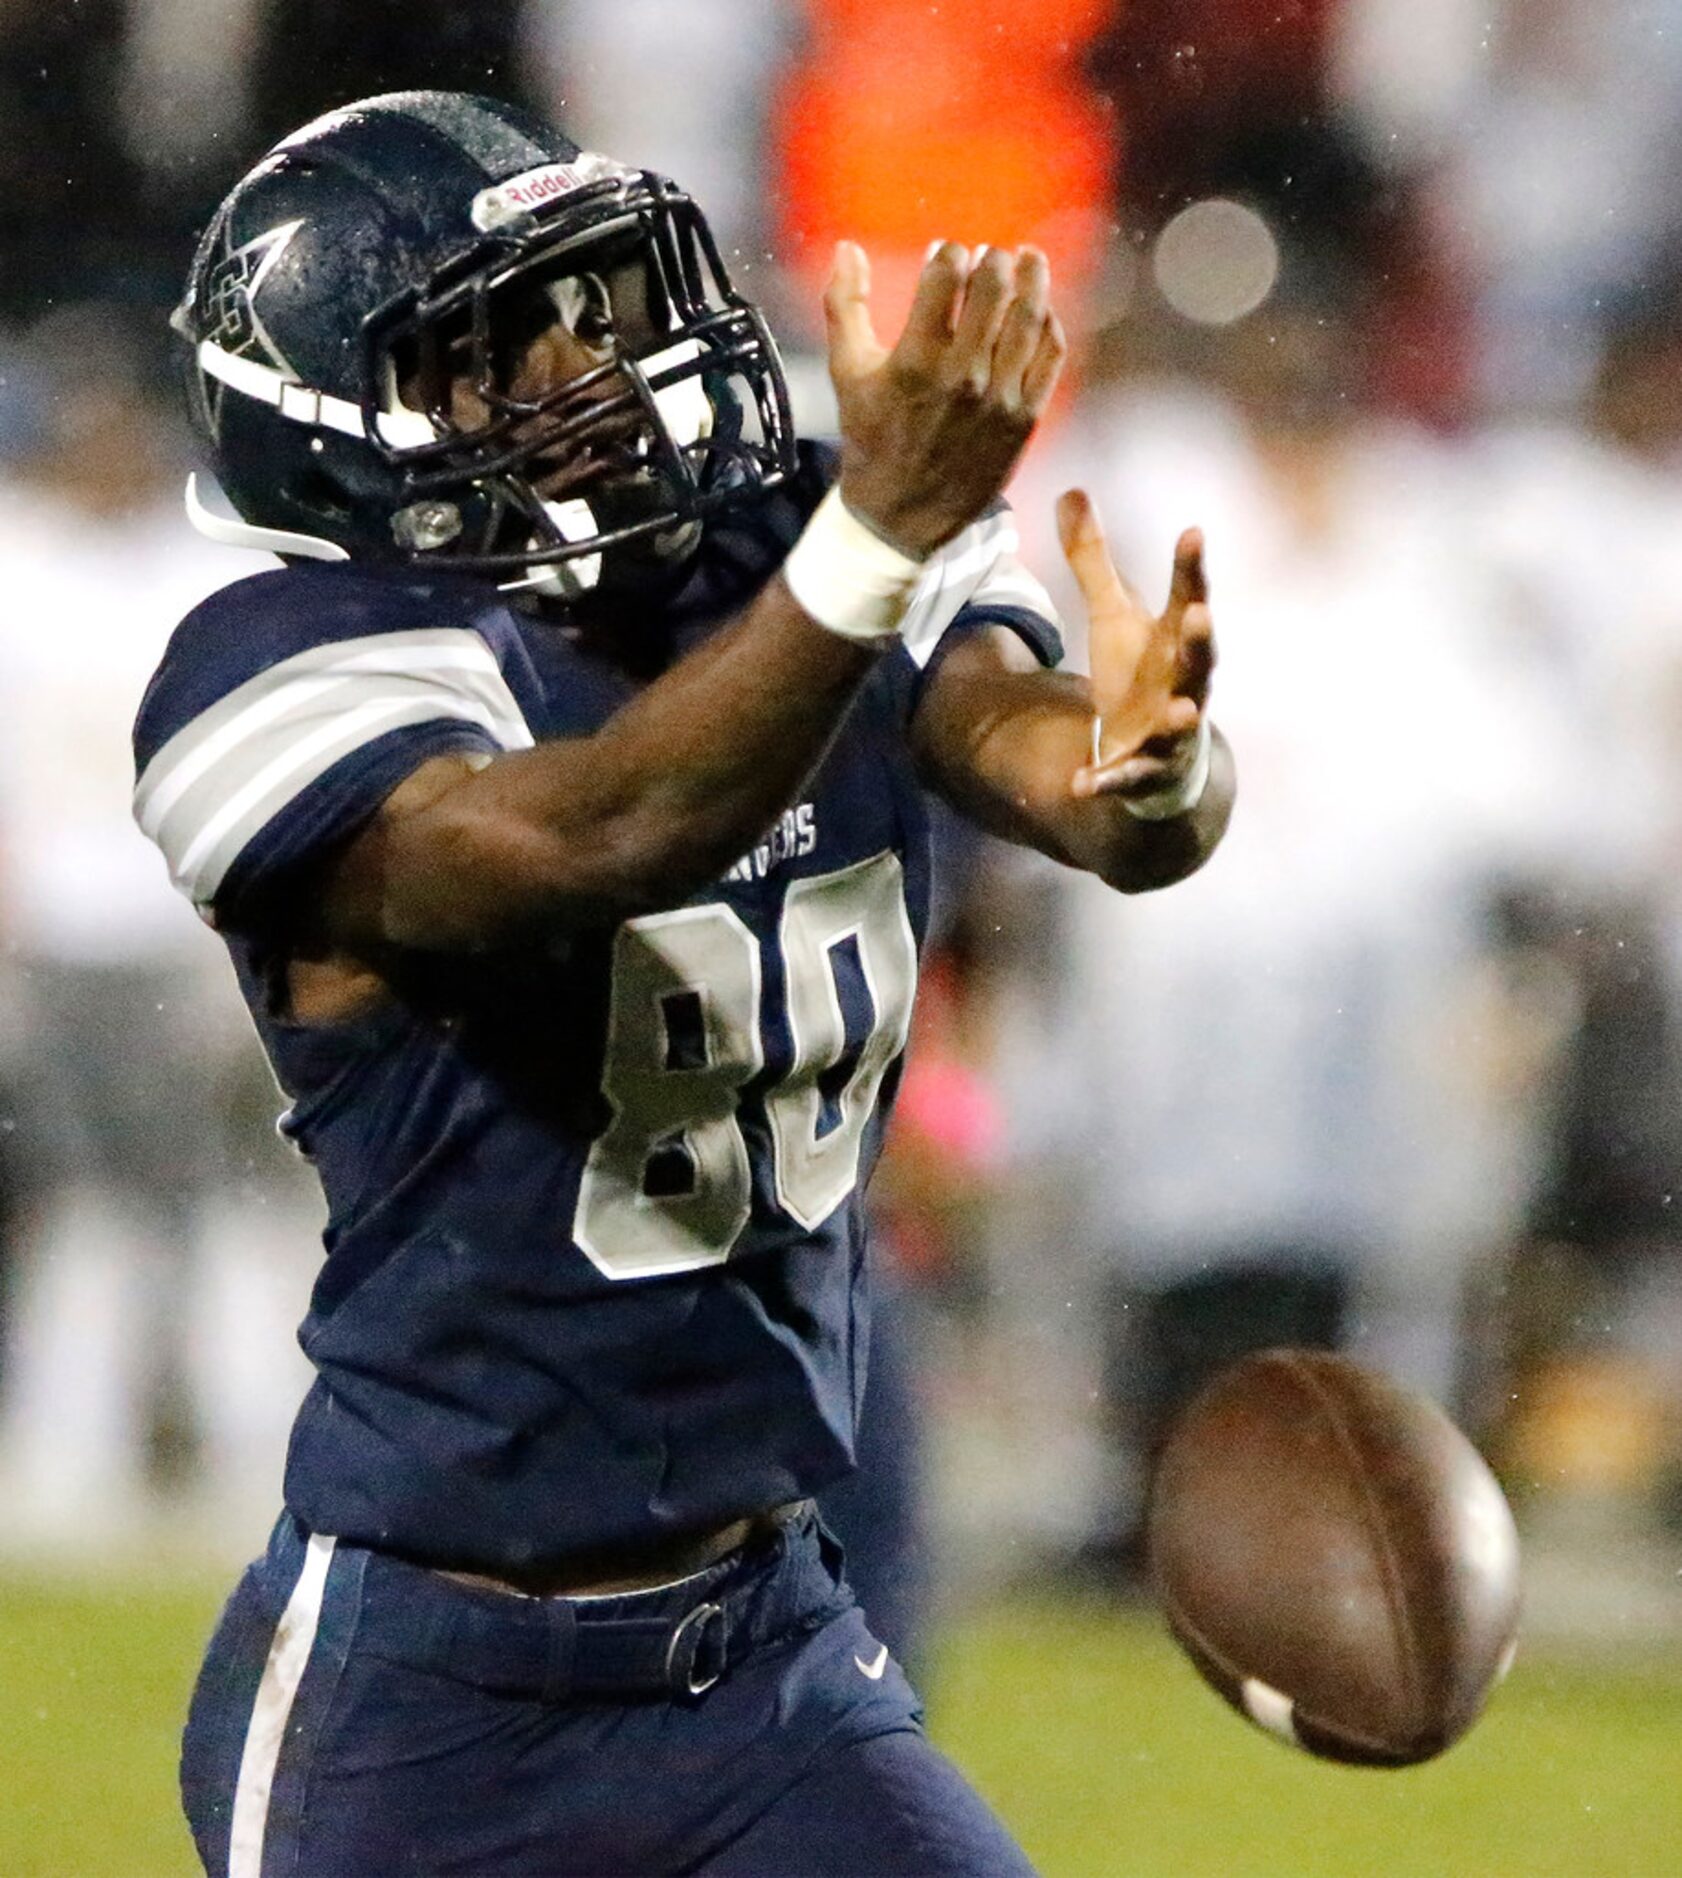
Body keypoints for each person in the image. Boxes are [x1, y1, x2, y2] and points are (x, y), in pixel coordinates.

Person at [138, 91, 1232, 1878]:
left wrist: (1156, 769)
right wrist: (863, 557)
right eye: (498, 349)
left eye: (593, 305)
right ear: (338, 430)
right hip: (427, 1702)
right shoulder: (282, 666)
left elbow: (1067, 774)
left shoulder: (791, 541)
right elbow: (594, 836)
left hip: (768, 1654)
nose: (587, 370)